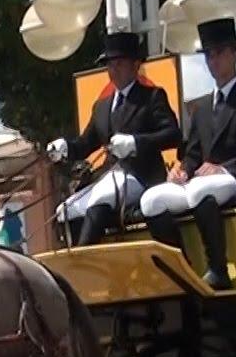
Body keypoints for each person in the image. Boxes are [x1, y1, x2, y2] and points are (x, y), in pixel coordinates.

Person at [139, 17, 236, 289]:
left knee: (201, 191)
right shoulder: (201, 108)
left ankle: (218, 268)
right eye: (209, 55)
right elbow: (192, 153)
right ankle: (181, 267)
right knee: (151, 200)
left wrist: (224, 168)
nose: (213, 61)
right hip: (201, 182)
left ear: (235, 53)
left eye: (219, 53)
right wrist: (182, 170)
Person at [48, 31, 182, 246]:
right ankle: (77, 262)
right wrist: (65, 148)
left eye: (119, 63)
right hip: (109, 176)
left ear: (135, 65)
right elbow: (85, 144)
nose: (113, 69)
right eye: (110, 64)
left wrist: (136, 143)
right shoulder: (102, 106)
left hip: (141, 175)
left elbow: (173, 134)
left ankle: (87, 264)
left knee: (101, 199)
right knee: (65, 211)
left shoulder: (152, 97)